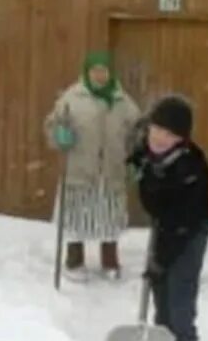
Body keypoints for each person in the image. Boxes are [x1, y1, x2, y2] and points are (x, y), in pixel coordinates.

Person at [127, 95, 208, 341]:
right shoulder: (147, 156)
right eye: (156, 129)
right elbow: (152, 199)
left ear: (181, 139)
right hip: (166, 224)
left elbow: (182, 220)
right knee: (160, 290)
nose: (160, 138)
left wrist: (162, 259)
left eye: (169, 134)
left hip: (189, 230)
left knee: (179, 293)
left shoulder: (189, 167)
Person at [44, 51, 140, 282]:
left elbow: (137, 131)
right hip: (80, 169)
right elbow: (53, 124)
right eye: (95, 70)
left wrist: (136, 158)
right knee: (77, 217)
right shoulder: (72, 98)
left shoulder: (122, 101)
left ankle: (110, 261)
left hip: (111, 169)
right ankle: (74, 261)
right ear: (86, 72)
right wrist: (60, 135)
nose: (100, 75)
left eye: (104, 70)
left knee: (109, 218)